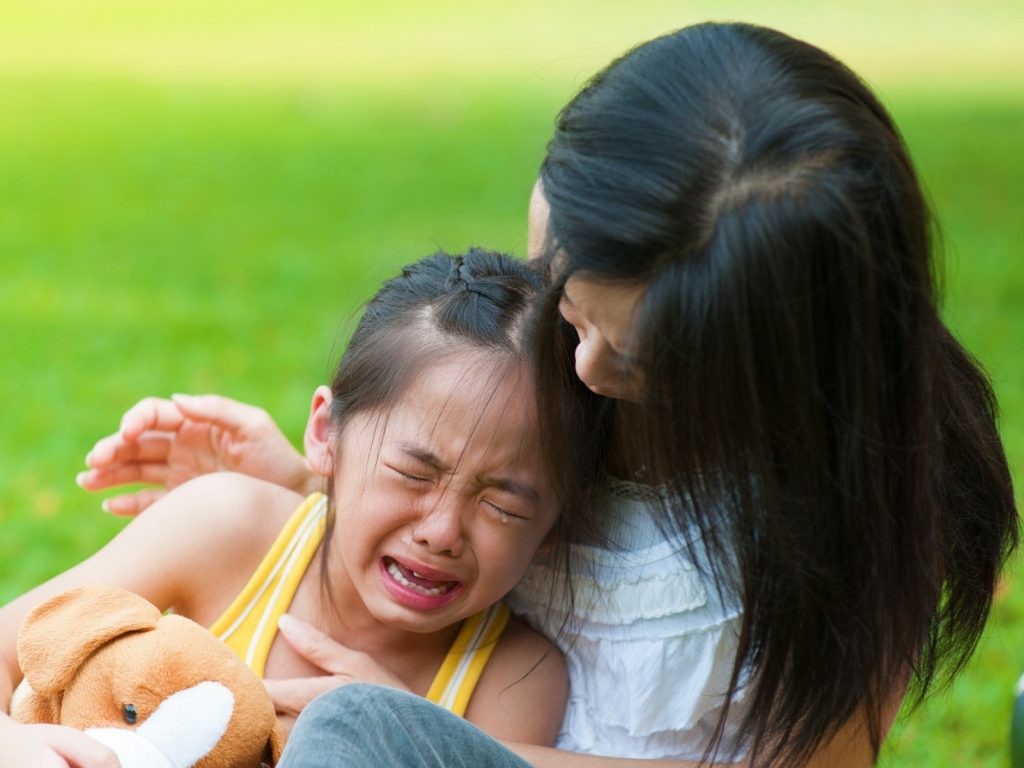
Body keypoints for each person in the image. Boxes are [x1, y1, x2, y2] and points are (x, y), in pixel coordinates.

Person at [80, 21, 1018, 768]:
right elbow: (464, 522)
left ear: (778, 368)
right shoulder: (561, 362)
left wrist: (437, 737)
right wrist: (308, 492)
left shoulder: (878, 492)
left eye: (647, 361)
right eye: (571, 305)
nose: (585, 371)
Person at [1, 249, 573, 767]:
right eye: (413, 474)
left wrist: (398, 730)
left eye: (503, 506)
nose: (442, 532)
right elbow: (14, 648)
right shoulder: (230, 527)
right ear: (327, 433)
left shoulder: (513, 677)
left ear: (556, 525)